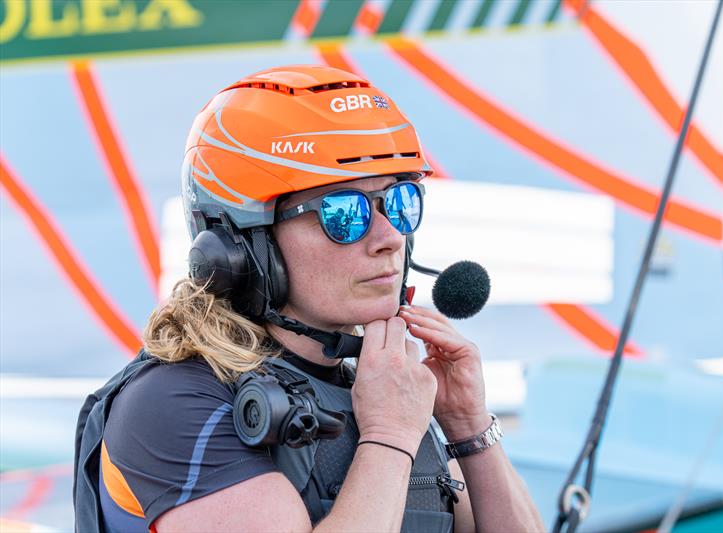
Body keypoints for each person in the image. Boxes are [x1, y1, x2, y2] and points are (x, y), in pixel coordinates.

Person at [89, 65, 544, 532]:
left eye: (400, 201)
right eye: (344, 212)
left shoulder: (382, 389)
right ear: (241, 244)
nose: (390, 237)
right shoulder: (174, 402)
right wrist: (387, 437)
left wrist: (469, 426)